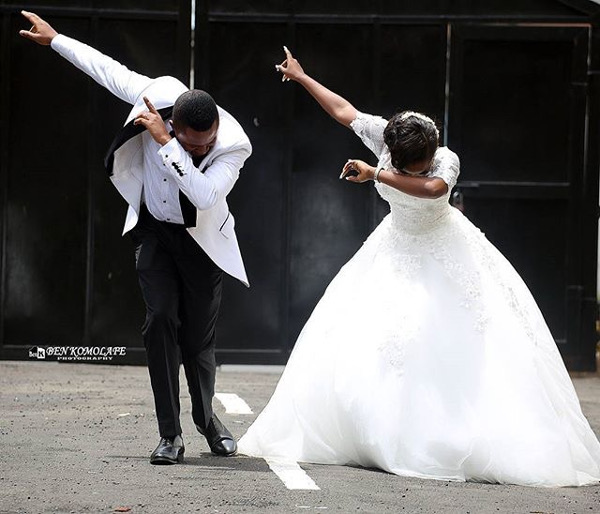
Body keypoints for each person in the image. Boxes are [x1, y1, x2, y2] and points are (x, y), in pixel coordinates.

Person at [238, 47, 600, 487]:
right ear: (392, 148)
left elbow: (432, 189)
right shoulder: (385, 136)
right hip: (394, 247)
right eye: (404, 165)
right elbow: (344, 111)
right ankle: (370, 426)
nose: (419, 167)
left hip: (446, 246)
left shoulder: (445, 159)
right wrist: (302, 76)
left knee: (461, 335)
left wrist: (376, 175)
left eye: (421, 163)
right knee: (371, 338)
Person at [19, 11, 252, 464]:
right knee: (159, 320)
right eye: (193, 144)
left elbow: (204, 196)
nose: (202, 149)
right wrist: (56, 40)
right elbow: (107, 70)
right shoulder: (156, 96)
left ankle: (207, 420)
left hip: (201, 244)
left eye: (206, 143)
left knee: (197, 341)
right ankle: (170, 434)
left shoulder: (235, 143)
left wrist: (168, 143)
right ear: (174, 118)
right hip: (153, 233)